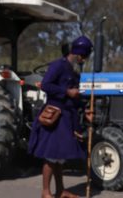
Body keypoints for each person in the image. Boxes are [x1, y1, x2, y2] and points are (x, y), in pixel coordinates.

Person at [28, 35, 93, 198]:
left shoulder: (74, 72)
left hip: (67, 118)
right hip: (54, 116)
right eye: (84, 56)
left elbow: (74, 99)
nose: (84, 60)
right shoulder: (58, 65)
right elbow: (46, 85)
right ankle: (45, 192)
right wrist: (66, 91)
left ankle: (61, 190)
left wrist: (84, 109)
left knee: (59, 157)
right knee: (51, 156)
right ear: (79, 54)